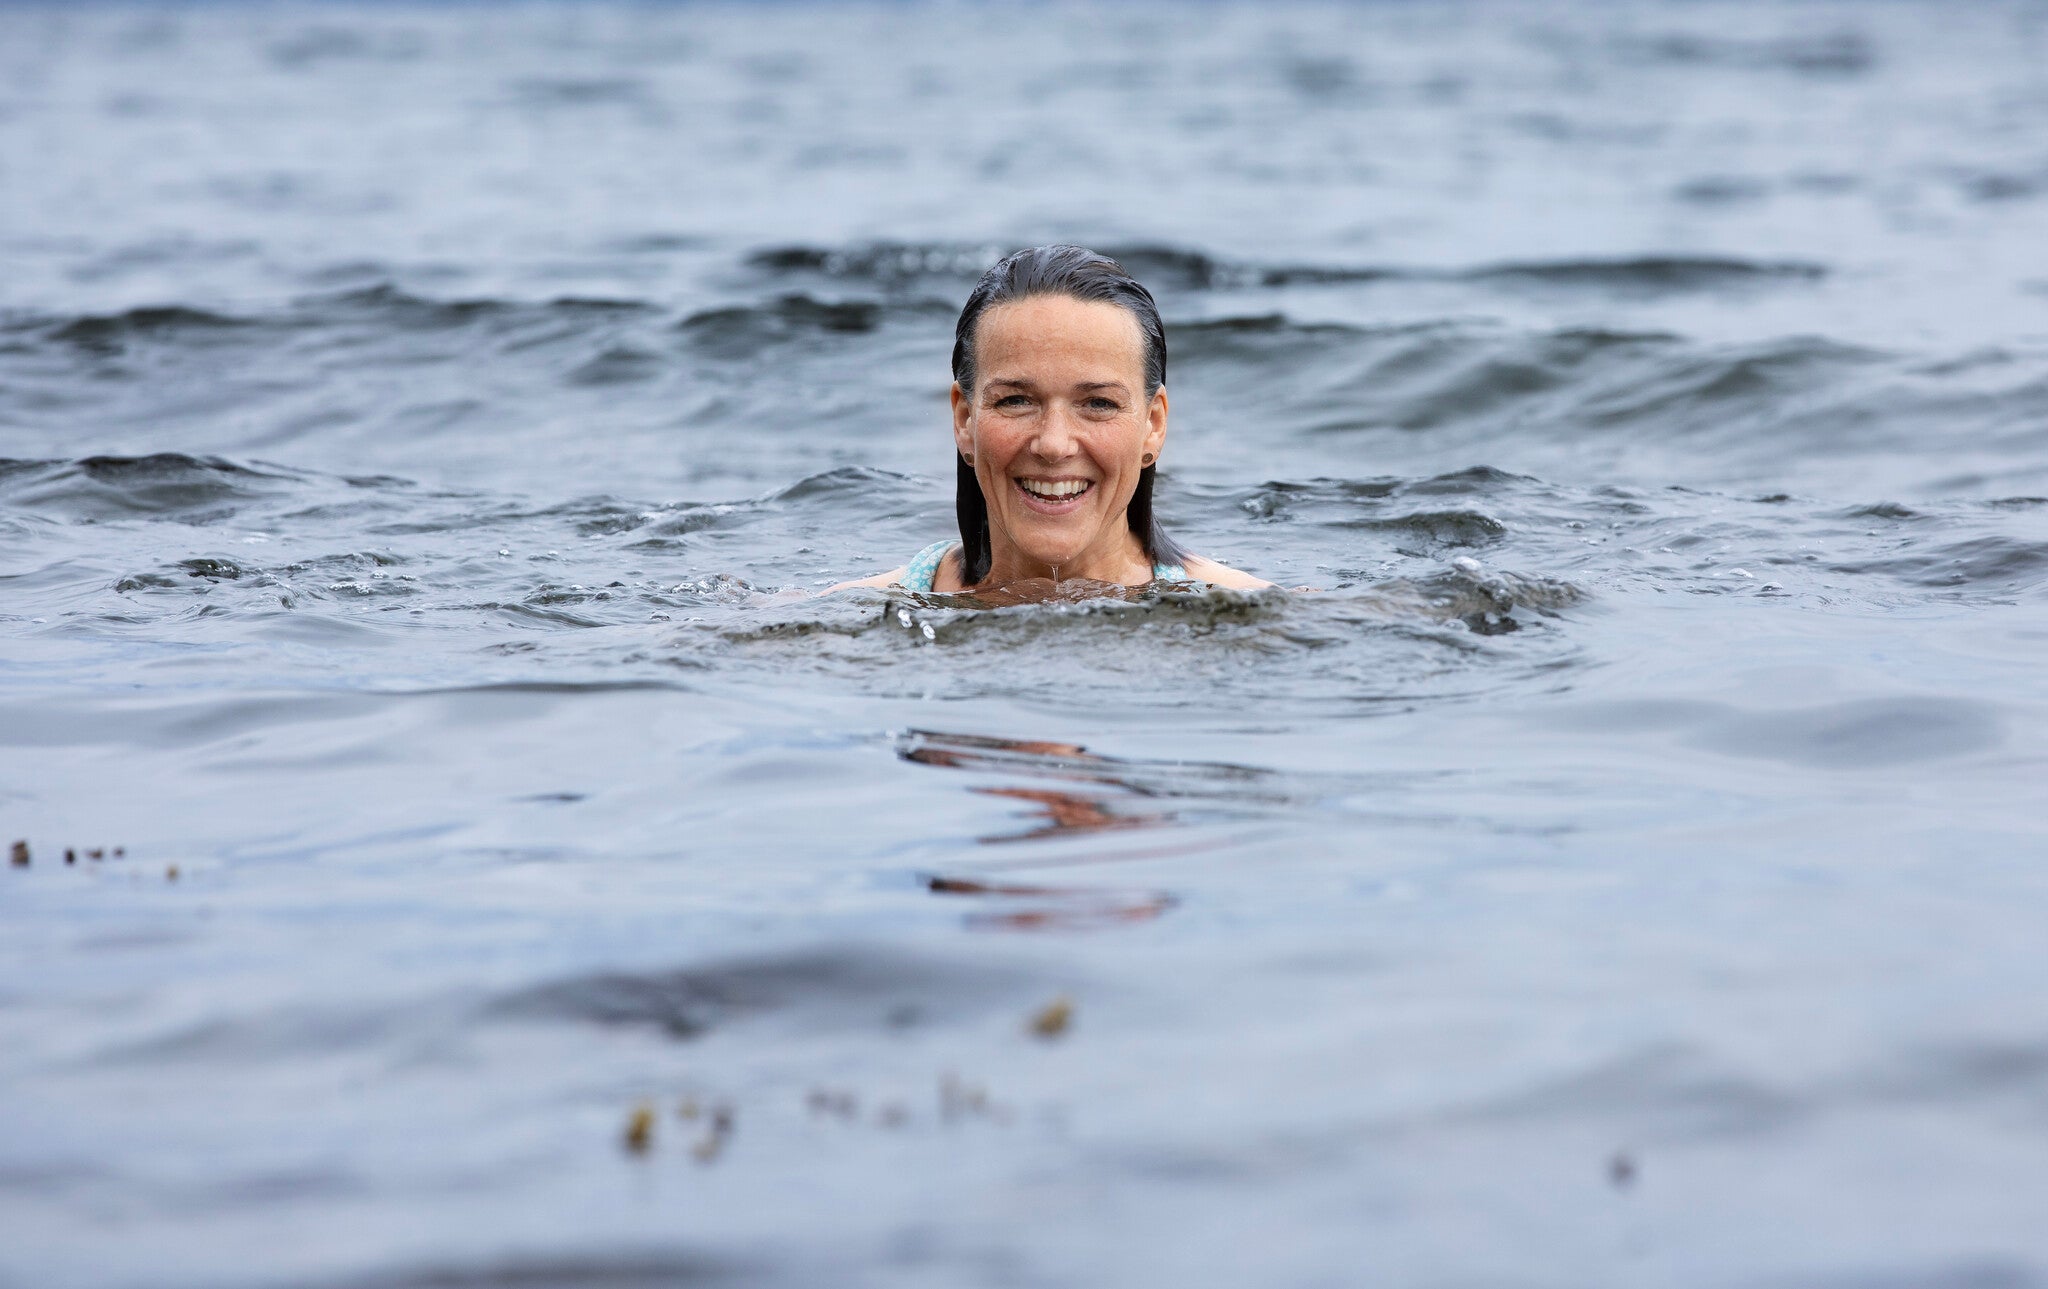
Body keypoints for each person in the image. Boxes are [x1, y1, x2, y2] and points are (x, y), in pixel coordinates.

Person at [838, 244, 1270, 595]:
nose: (1053, 444)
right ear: (964, 419)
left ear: (1153, 425)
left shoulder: (1246, 620)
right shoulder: (851, 620)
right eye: (1015, 401)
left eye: (1099, 404)